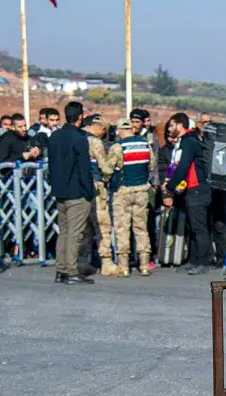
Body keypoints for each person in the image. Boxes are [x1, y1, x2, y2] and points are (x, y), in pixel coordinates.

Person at [46, 101, 95, 285]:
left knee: (64, 233)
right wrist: (89, 192)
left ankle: (61, 270)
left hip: (60, 192)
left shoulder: (55, 137)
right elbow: (84, 168)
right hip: (77, 192)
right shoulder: (80, 139)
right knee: (75, 234)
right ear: (80, 116)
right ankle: (72, 271)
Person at [106, 119, 158, 277]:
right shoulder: (145, 145)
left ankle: (123, 266)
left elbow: (108, 170)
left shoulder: (117, 147)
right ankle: (144, 264)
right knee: (141, 228)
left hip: (123, 191)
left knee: (123, 228)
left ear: (121, 129)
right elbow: (152, 166)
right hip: (142, 190)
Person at [164, 112, 212, 275]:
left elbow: (183, 167)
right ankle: (192, 260)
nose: (169, 129)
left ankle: (202, 262)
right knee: (192, 226)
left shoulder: (189, 142)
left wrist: (169, 187)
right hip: (189, 190)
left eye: (171, 125)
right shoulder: (184, 142)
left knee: (199, 228)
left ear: (180, 125)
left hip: (197, 189)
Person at [84, 114, 122, 276]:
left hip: (78, 187)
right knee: (102, 224)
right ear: (100, 128)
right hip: (96, 187)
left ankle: (81, 260)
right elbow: (105, 167)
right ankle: (106, 261)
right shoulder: (94, 141)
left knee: (84, 227)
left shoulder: (76, 138)